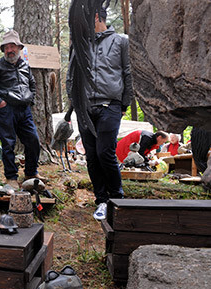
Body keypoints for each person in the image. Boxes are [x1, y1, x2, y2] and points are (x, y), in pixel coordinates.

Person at [67, 7, 133, 221]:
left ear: (96, 17)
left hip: (110, 105)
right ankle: (101, 200)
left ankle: (117, 197)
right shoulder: (80, 44)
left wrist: (124, 103)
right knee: (92, 156)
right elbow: (71, 75)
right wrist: (74, 101)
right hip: (85, 107)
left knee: (105, 151)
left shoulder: (122, 41)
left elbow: (128, 72)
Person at [0, 30, 42, 189]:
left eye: (12, 46)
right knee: (8, 144)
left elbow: (32, 84)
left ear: (18, 47)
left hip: (24, 110)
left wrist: (31, 100)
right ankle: (11, 177)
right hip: (6, 110)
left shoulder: (25, 65)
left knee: (33, 140)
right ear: (3, 50)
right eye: (6, 47)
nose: (9, 50)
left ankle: (31, 172)